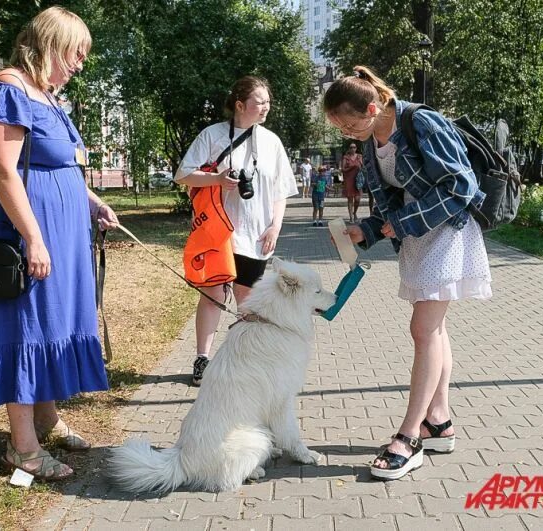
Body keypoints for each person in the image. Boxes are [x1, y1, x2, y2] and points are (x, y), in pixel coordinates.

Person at [0, 6, 119, 481]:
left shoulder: (49, 97)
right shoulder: (8, 90)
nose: (79, 63)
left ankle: (48, 416)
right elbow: (3, 172)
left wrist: (92, 202)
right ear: (51, 44)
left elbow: (62, 166)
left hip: (65, 232)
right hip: (29, 233)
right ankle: (25, 450)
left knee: (55, 321)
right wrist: (34, 238)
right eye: (75, 53)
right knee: (27, 328)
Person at [324, 66, 491, 481]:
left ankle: (409, 436)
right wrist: (365, 229)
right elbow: (388, 203)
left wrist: (400, 223)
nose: (348, 133)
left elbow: (460, 186)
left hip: (448, 233)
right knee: (432, 331)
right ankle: (439, 421)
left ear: (373, 106)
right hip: (417, 239)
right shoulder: (369, 144)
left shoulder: (421, 121)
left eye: (349, 122)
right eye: (340, 127)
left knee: (423, 330)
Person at [174, 76, 298, 386]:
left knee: (247, 297)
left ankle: (245, 360)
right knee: (214, 293)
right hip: (218, 232)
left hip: (257, 234)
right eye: (260, 101)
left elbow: (281, 189)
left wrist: (276, 226)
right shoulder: (213, 135)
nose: (266, 106)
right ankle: (203, 358)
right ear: (240, 105)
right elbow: (183, 175)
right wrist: (216, 178)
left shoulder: (271, 142)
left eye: (268, 101)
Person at [341, 143, 363, 222]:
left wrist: (360, 163)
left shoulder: (359, 156)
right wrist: (351, 168)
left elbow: (363, 167)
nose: (352, 148)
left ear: (356, 148)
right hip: (349, 179)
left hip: (357, 180)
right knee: (350, 199)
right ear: (349, 149)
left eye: (354, 147)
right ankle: (351, 217)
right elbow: (343, 169)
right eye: (351, 147)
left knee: (357, 199)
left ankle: (355, 212)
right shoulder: (346, 157)